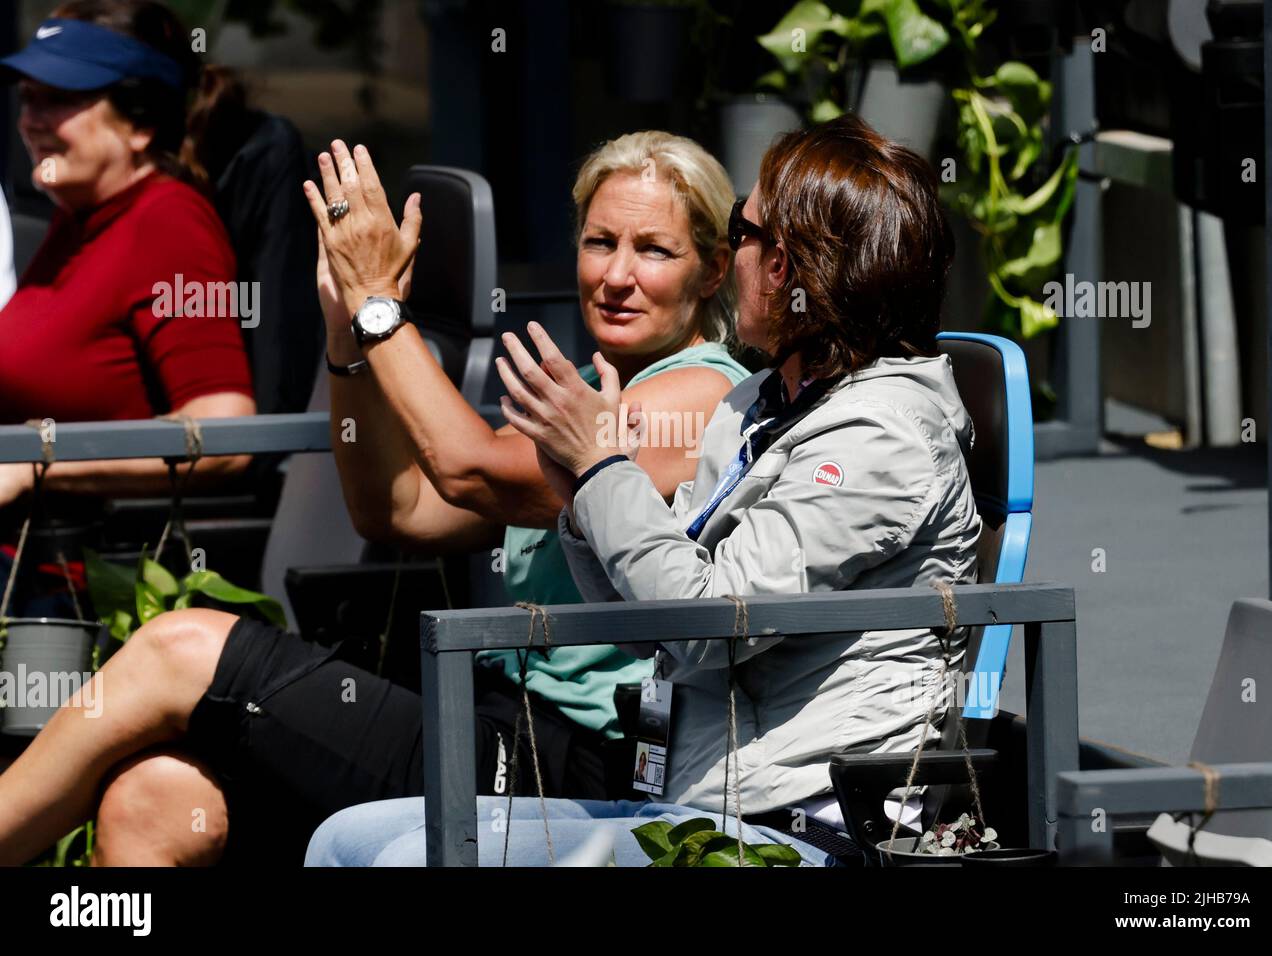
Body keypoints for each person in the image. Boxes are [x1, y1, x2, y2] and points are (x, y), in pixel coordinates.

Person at [0, 130, 751, 866]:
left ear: (713, 270)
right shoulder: (589, 391)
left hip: (575, 766)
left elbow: (469, 470)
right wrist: (344, 336)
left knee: (179, 647)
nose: (617, 274)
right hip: (490, 713)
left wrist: (381, 309)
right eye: (600, 242)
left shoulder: (701, 395)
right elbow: (400, 513)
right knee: (155, 799)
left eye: (654, 250)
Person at [305, 113, 983, 867]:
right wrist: (582, 495)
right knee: (345, 841)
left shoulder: (880, 435)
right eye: (599, 241)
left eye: (743, 232)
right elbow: (649, 624)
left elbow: (708, 622)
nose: (617, 273)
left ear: (788, 266)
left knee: (404, 861)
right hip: (700, 794)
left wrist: (600, 467)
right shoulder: (762, 403)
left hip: (800, 824)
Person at [0, 2, 256, 615]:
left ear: (139, 126)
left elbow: (226, 432)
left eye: (57, 99)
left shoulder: (168, 223)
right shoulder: (81, 219)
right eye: (26, 97)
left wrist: (37, 461)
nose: (30, 119)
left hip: (82, 597)